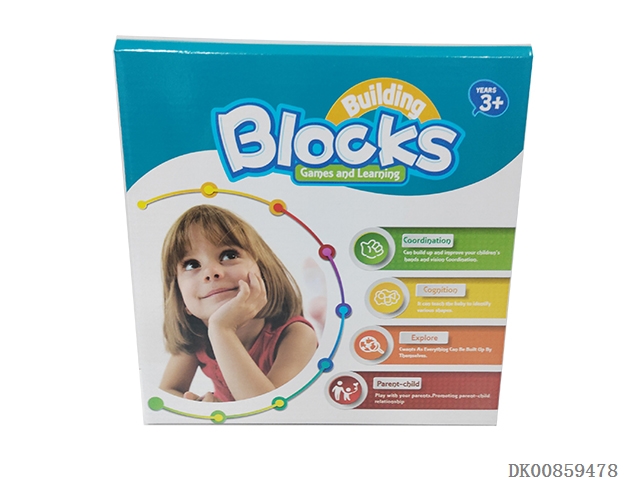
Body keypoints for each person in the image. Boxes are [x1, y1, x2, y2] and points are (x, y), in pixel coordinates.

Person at [159, 204, 317, 402]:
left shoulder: (297, 335)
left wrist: (222, 329)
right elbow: (168, 391)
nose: (211, 273)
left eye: (229, 255)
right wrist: (200, 407)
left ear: (263, 271)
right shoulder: (197, 336)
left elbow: (268, 411)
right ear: (180, 297)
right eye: (192, 265)